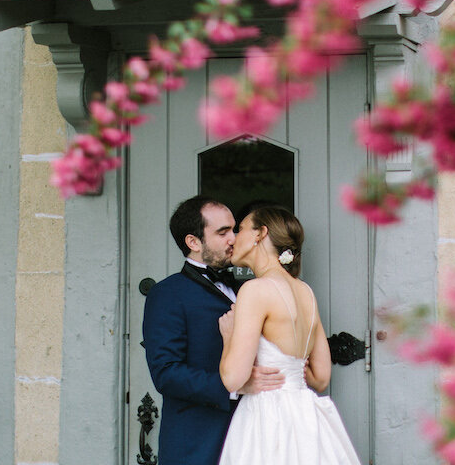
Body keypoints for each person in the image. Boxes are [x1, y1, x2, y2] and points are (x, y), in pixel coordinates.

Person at [143, 196, 285, 465]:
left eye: (234, 229)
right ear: (193, 242)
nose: (234, 238)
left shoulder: (250, 288)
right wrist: (234, 385)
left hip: (254, 436)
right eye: (222, 232)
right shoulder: (167, 294)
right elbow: (166, 373)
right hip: (198, 444)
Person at [217, 206, 362, 465]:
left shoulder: (255, 290)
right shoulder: (305, 291)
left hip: (266, 416)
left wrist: (228, 336)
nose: (234, 238)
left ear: (260, 234)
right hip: (305, 415)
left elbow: (233, 379)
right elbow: (321, 378)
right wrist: (291, 370)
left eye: (239, 229)